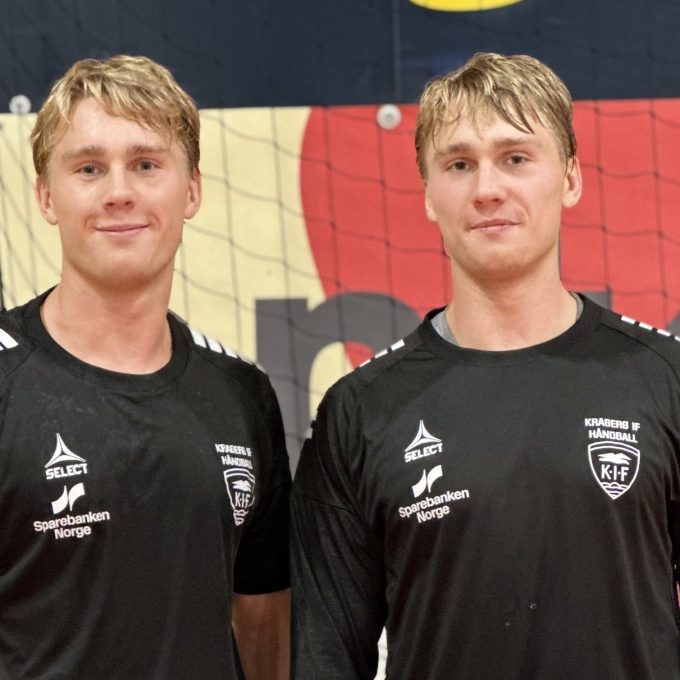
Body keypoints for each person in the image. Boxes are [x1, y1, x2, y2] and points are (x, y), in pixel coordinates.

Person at [291, 52, 680, 679]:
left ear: (571, 178)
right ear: (428, 193)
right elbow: (326, 660)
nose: (487, 189)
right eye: (459, 164)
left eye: (516, 158)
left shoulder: (665, 377)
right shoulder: (359, 411)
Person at [0, 55, 290, 679]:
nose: (119, 192)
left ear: (192, 191)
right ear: (46, 196)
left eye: (146, 164)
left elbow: (264, 623)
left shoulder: (242, 395)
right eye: (88, 168)